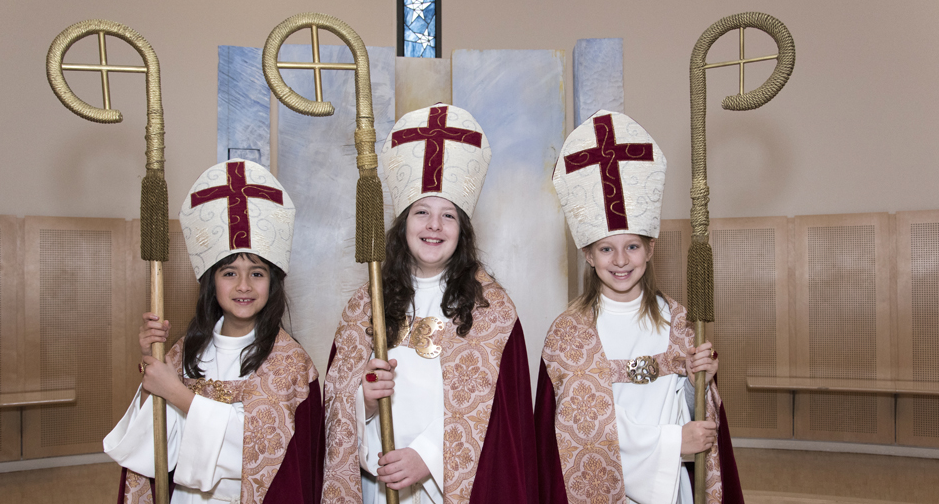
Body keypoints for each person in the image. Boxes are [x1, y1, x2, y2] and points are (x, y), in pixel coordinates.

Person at [322, 104, 538, 504]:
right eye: (422, 212)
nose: (434, 226)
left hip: (449, 488)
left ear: (463, 230)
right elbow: (335, 398)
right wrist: (363, 401)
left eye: (448, 216)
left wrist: (428, 456)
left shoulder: (492, 311)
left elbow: (498, 418)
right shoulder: (365, 304)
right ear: (404, 224)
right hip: (376, 483)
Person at [536, 111, 742, 504]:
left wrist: (704, 382)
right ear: (588, 255)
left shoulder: (680, 320)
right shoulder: (569, 332)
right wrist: (670, 443)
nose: (620, 260)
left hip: (671, 486)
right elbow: (581, 427)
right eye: (605, 249)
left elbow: (696, 409)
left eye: (631, 246)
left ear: (650, 249)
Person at [104, 159, 324, 504]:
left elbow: (262, 451)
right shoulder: (185, 351)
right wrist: (152, 366)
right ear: (211, 283)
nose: (243, 286)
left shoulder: (289, 362)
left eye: (257, 273)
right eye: (229, 273)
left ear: (273, 282)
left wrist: (177, 394)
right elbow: (153, 446)